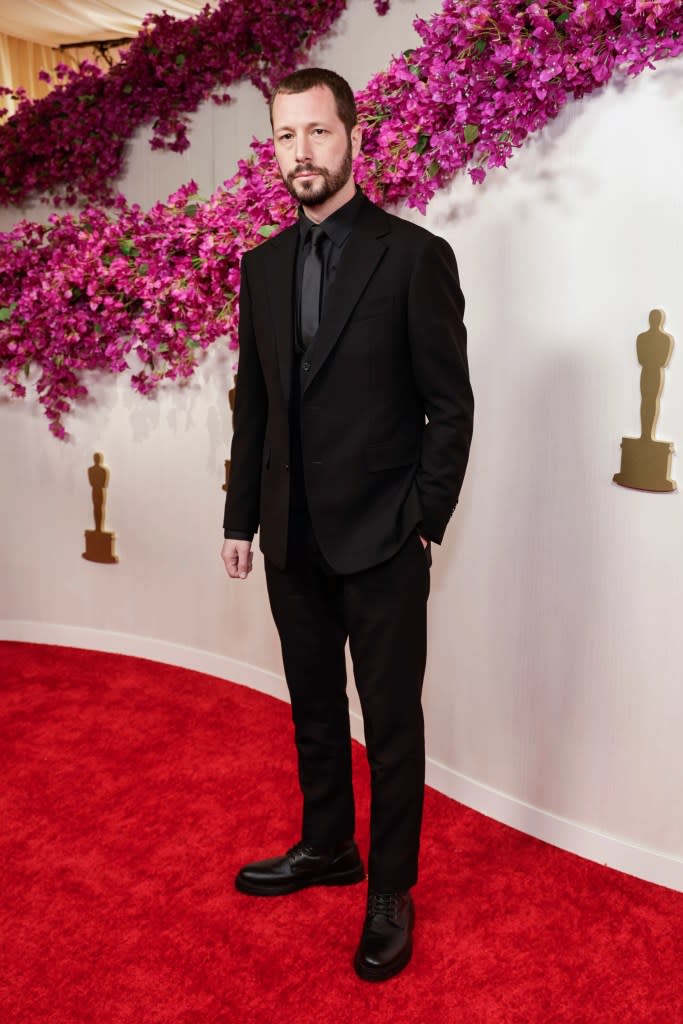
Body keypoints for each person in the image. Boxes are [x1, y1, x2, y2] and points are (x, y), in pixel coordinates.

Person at [221, 67, 473, 982]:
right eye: (285, 137)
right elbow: (255, 404)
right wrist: (239, 517)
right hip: (288, 536)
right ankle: (327, 845)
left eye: (316, 134)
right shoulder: (259, 267)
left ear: (353, 137)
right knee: (316, 713)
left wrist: (423, 522)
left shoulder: (412, 257)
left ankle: (390, 891)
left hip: (382, 539)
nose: (300, 153)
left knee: (391, 722)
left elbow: (450, 406)